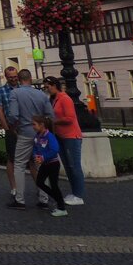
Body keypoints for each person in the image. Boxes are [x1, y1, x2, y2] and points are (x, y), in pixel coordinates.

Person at [5, 69, 54, 209]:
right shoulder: (41, 94)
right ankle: (44, 199)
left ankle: (20, 199)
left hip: (25, 132)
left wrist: (13, 126)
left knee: (19, 165)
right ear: (31, 79)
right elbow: (50, 114)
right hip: (40, 134)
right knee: (41, 165)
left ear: (19, 80)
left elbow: (13, 115)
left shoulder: (15, 93)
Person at [44, 76, 85, 205]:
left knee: (74, 165)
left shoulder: (65, 98)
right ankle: (74, 193)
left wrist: (54, 121)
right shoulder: (53, 99)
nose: (46, 89)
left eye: (47, 86)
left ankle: (79, 195)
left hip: (71, 136)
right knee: (67, 165)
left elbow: (70, 118)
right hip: (60, 135)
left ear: (54, 85)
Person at [31, 114, 68, 216]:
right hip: (45, 163)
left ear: (41, 125)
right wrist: (36, 156)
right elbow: (35, 147)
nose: (32, 127)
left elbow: (55, 149)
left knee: (54, 185)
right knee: (39, 182)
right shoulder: (38, 136)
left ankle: (61, 208)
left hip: (53, 164)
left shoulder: (49, 136)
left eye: (34, 124)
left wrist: (43, 157)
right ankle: (58, 199)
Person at [0, 65, 21, 202]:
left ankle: (40, 187)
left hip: (25, 128)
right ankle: (14, 187)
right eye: (10, 77)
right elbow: (0, 110)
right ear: (6, 77)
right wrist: (7, 128)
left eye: (15, 77)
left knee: (33, 159)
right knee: (11, 158)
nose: (13, 79)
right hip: (11, 128)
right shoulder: (1, 91)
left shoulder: (23, 89)